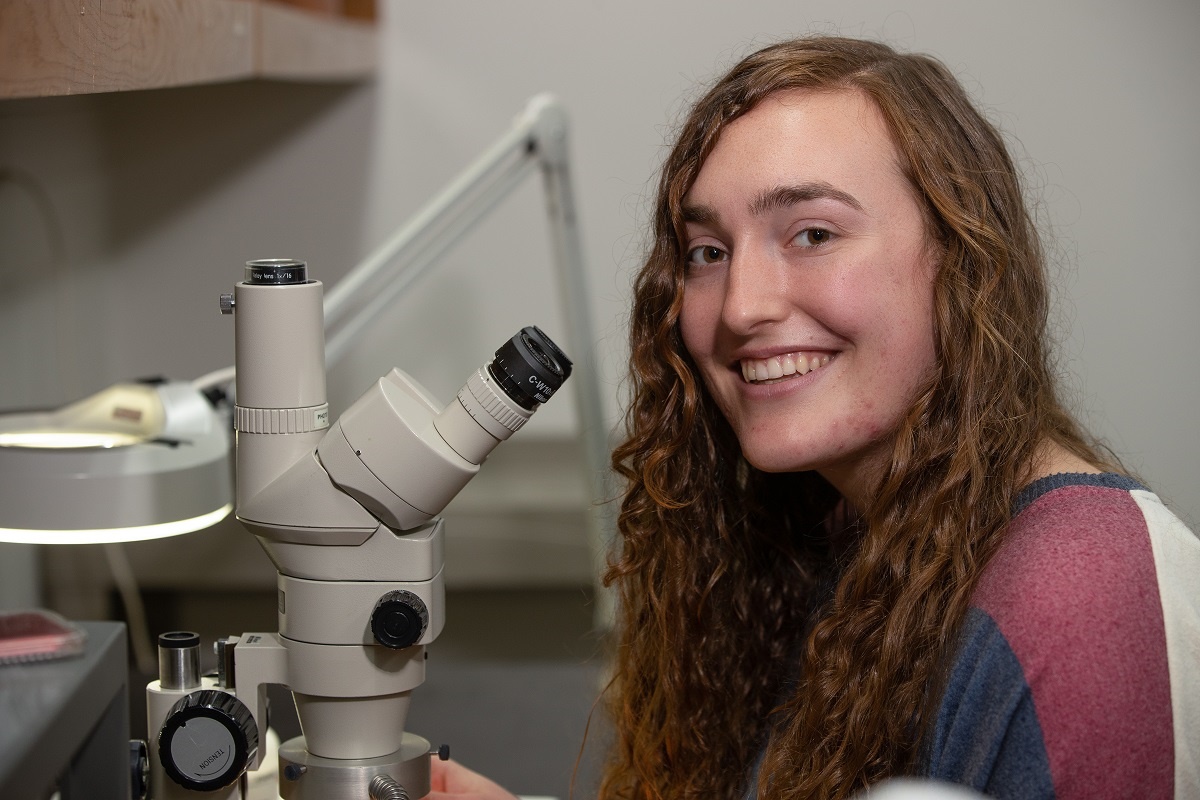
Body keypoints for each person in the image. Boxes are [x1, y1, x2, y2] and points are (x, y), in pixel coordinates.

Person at [430, 36, 1199, 800]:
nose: (741, 306)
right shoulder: (835, 540)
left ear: (964, 263)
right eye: (707, 252)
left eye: (814, 234)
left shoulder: (1083, 601)